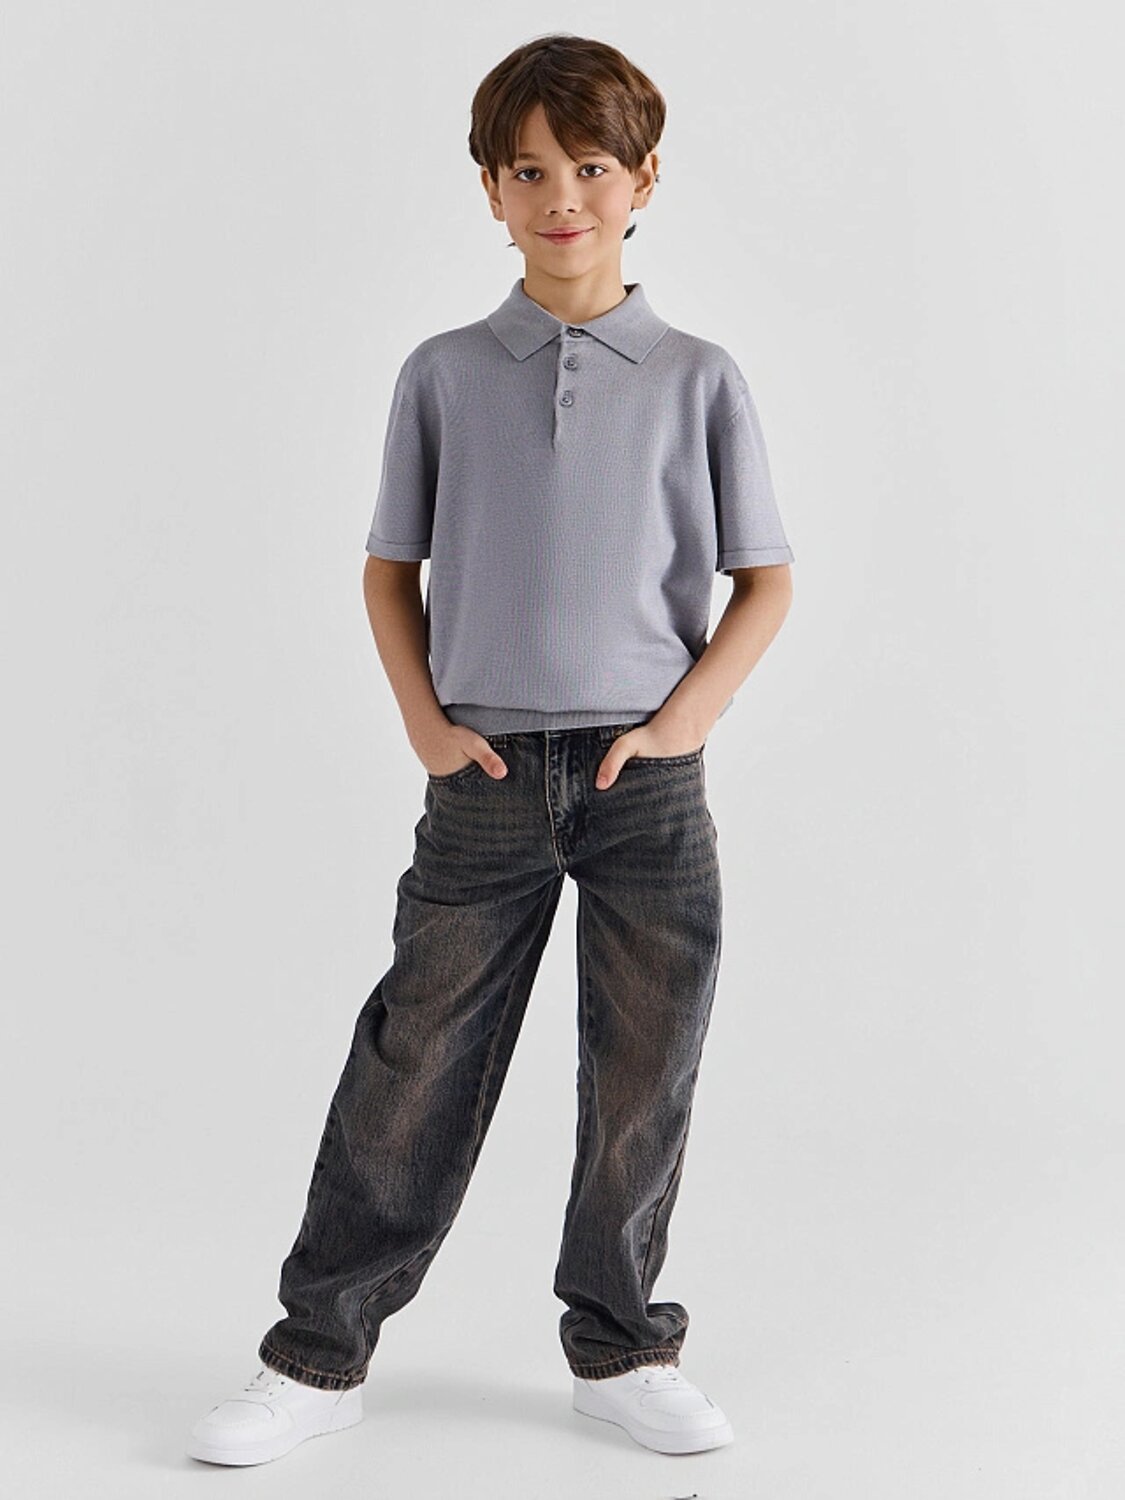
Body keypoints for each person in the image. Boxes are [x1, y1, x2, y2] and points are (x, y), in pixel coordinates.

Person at [187, 31, 795, 1468]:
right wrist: (425, 721)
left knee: (643, 1066)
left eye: (589, 166)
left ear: (644, 179)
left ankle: (620, 1344)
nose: (560, 196)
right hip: (483, 780)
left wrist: (680, 723)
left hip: (647, 782)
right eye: (527, 171)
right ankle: (317, 1356)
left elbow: (763, 581)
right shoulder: (445, 374)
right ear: (489, 191)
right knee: (415, 1059)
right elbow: (387, 569)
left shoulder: (699, 378)